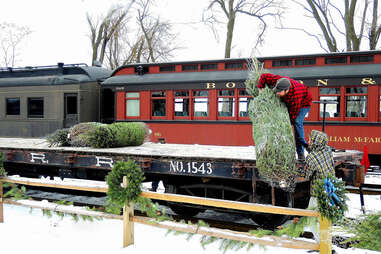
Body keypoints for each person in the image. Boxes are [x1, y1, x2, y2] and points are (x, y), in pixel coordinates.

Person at [257, 73, 312, 160]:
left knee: (297, 123)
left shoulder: (295, 97)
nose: (276, 93)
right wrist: (260, 89)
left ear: (286, 90)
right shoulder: (279, 81)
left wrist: (285, 126)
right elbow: (264, 76)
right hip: (291, 100)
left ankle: (302, 151)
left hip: (304, 104)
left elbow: (292, 117)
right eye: (276, 90)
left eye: (279, 92)